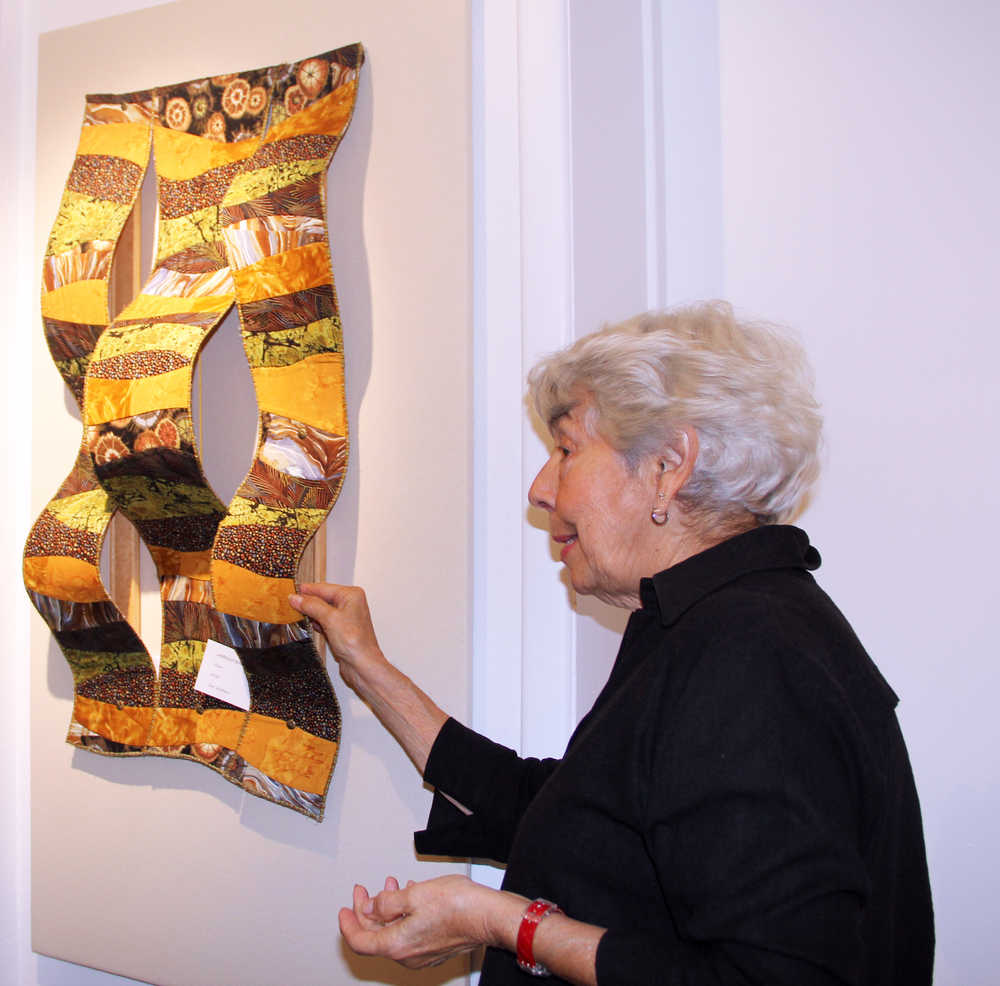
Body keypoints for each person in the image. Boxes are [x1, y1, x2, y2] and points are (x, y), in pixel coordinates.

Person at [289, 302, 934, 985]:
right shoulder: (710, 624)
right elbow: (575, 820)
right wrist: (367, 668)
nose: (540, 488)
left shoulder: (752, 655)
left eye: (565, 449)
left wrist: (506, 923)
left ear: (668, 464)